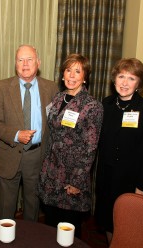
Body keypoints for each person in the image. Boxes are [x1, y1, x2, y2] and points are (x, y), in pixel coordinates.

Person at [0, 44, 59, 221]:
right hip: (9, 153)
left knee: (32, 204)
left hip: (37, 155)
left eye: (29, 59)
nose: (25, 64)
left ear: (38, 63)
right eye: (20, 60)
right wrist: (16, 134)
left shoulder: (51, 88)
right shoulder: (2, 87)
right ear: (15, 63)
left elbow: (56, 125)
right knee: (6, 206)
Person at [95, 58, 143, 243]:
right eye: (121, 76)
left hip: (131, 181)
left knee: (129, 226)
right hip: (106, 178)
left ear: (139, 83)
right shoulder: (105, 105)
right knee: (109, 222)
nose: (124, 83)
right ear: (114, 79)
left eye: (131, 78)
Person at [37, 53, 103, 238]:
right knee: (51, 225)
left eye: (77, 71)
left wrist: (77, 182)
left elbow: (91, 148)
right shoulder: (58, 99)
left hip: (71, 177)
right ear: (62, 74)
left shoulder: (92, 106)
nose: (72, 75)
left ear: (85, 77)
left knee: (68, 231)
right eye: (68, 70)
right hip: (51, 173)